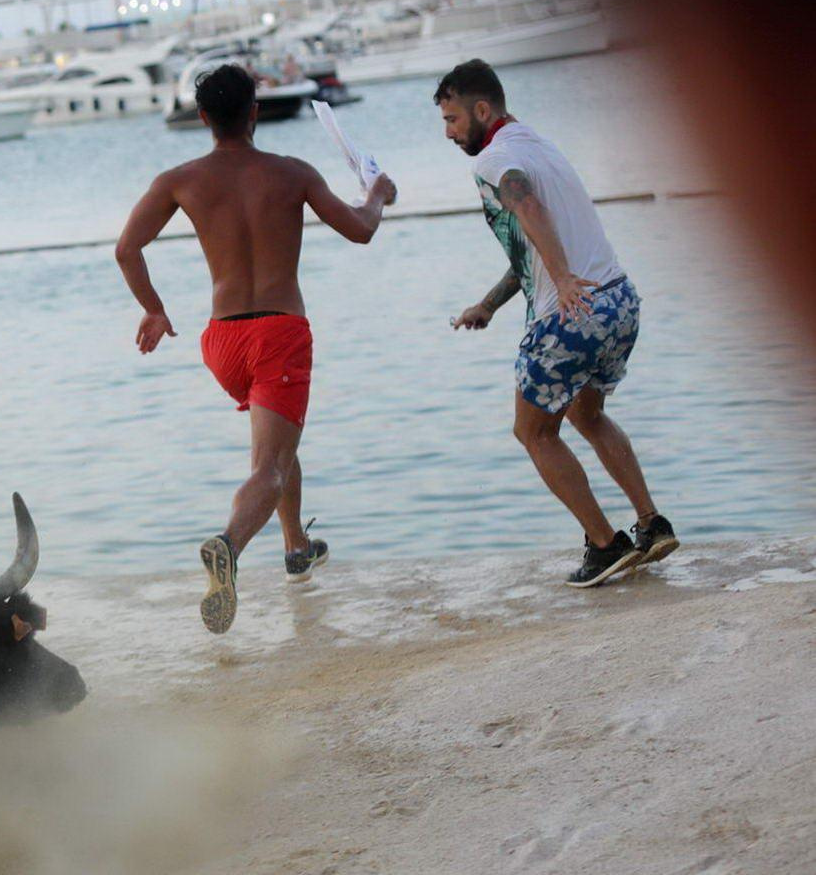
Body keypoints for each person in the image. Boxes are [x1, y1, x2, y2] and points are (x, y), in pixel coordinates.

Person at [115, 63, 396, 634]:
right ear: (255, 113)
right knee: (269, 465)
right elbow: (361, 229)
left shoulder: (179, 178)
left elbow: (127, 249)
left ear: (202, 118)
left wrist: (154, 308)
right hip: (278, 332)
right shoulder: (291, 173)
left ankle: (296, 546)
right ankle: (228, 545)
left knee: (276, 446)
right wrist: (378, 195)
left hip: (221, 340)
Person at [437, 59, 679, 588]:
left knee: (532, 431)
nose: (449, 133)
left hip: (569, 317)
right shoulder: (540, 144)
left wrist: (564, 280)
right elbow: (533, 246)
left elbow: (524, 205)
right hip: (617, 302)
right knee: (586, 416)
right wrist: (489, 304)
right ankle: (651, 524)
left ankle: (604, 543)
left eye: (453, 120)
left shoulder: (495, 159)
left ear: (483, 110)